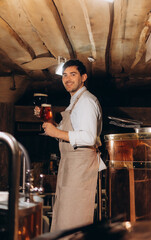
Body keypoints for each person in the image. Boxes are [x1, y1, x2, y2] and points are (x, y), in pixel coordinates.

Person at [34, 59, 105, 232]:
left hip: (80, 165)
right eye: (64, 75)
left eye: (73, 74)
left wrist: (55, 132)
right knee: (63, 215)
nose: (67, 79)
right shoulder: (75, 101)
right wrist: (49, 122)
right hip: (70, 164)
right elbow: (69, 134)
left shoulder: (86, 101)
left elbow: (88, 138)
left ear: (83, 77)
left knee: (74, 218)